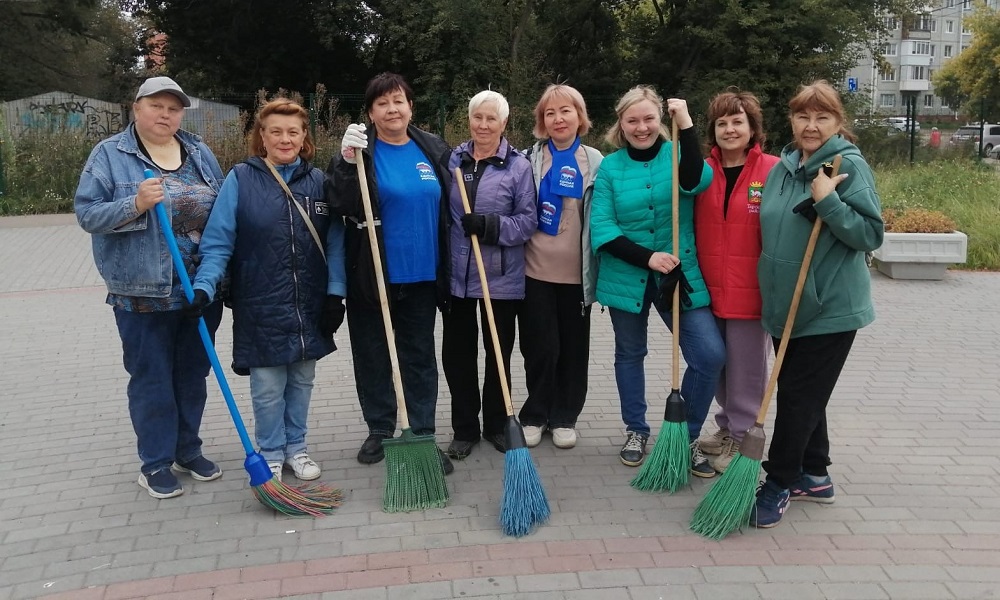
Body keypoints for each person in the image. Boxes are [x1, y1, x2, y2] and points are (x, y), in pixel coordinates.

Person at [74, 76, 225, 499]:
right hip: (142, 292)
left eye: (173, 108)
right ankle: (155, 461)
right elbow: (87, 215)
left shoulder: (198, 151)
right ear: (136, 108)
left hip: (199, 292)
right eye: (156, 106)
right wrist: (135, 204)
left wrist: (214, 277)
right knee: (152, 377)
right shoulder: (109, 155)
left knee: (193, 373)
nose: (165, 115)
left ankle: (187, 449)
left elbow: (221, 211)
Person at [191, 99, 346, 483]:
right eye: (275, 130)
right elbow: (217, 242)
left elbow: (338, 241)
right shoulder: (241, 179)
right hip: (260, 301)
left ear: (304, 136)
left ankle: (297, 448)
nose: (284, 138)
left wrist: (335, 292)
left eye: (293, 131)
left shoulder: (319, 183)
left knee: (302, 380)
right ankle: (271, 450)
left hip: (308, 302)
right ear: (261, 135)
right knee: (267, 385)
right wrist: (203, 286)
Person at [751, 80, 883, 528]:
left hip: (828, 307)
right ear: (791, 119)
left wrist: (828, 203)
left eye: (822, 117)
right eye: (803, 116)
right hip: (785, 305)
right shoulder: (784, 168)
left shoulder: (849, 166)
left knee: (796, 398)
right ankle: (815, 474)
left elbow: (870, 235)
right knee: (805, 395)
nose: (811, 126)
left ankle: (779, 481)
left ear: (838, 121)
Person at [590, 85, 725, 475]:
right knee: (630, 355)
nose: (641, 126)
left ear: (660, 122)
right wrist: (647, 257)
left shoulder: (677, 154)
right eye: (632, 120)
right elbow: (602, 228)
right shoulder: (611, 168)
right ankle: (636, 429)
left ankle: (685, 435)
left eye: (649, 118)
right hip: (626, 277)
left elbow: (698, 180)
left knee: (709, 355)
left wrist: (687, 123)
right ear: (621, 124)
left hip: (679, 276)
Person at [327, 73, 454, 474]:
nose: (392, 109)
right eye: (382, 103)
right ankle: (381, 427)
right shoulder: (360, 151)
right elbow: (340, 202)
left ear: (410, 106)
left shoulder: (432, 148)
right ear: (370, 112)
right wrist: (348, 162)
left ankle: (422, 431)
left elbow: (449, 205)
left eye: (398, 101)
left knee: (418, 358)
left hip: (421, 277)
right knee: (373, 356)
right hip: (372, 275)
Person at [444, 90, 537, 459]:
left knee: (498, 353)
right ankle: (464, 428)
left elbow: (528, 221)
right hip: (457, 278)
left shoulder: (518, 166)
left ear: (504, 123)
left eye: (491, 119)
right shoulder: (453, 159)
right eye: (477, 117)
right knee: (457, 355)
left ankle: (497, 424)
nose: (483, 125)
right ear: (469, 119)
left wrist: (489, 225)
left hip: (500, 277)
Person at [694, 91, 779, 473]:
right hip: (709, 288)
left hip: (751, 289)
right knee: (719, 364)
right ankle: (728, 426)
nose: (730, 129)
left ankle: (745, 435)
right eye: (722, 123)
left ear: (752, 128)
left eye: (737, 122)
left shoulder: (772, 170)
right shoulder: (702, 171)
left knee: (748, 367)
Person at [518, 84, 603, 450]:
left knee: (573, 349)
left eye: (565, 110)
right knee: (540, 347)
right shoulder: (528, 159)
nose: (558, 118)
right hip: (534, 270)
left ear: (579, 116)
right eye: (549, 113)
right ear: (542, 122)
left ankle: (565, 416)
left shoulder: (597, 161)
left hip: (576, 275)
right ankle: (535, 414)